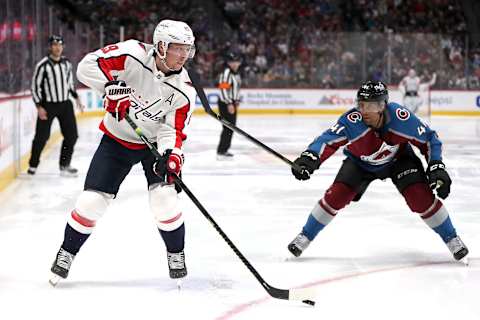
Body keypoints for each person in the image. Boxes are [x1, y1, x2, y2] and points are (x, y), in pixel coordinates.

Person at [49, 20, 197, 285]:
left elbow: (172, 130)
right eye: (178, 48)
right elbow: (86, 67)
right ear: (161, 46)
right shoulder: (132, 55)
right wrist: (109, 88)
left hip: (153, 147)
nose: (184, 55)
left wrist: (171, 156)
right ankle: (67, 251)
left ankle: (176, 252)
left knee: (165, 200)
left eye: (188, 49)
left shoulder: (184, 90)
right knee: (91, 203)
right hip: (117, 140)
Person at [288, 80, 468, 262]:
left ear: (383, 105)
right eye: (361, 104)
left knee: (420, 198)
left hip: (399, 160)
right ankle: (305, 236)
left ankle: (452, 238)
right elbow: (326, 140)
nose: (364, 110)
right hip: (360, 163)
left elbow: (430, 139)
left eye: (372, 105)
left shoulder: (401, 118)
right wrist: (309, 158)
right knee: (336, 196)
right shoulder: (352, 121)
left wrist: (436, 165)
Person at [28, 35, 84, 176]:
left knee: (72, 136)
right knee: (42, 137)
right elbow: (35, 87)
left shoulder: (67, 64)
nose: (57, 48)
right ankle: (33, 165)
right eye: (54, 45)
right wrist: (39, 106)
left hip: (65, 104)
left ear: (63, 47)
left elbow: (69, 84)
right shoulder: (43, 65)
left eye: (60, 45)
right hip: (48, 106)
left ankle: (64, 165)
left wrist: (77, 98)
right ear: (50, 47)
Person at [216, 51, 242, 160]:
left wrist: (236, 100)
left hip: (232, 103)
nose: (234, 64)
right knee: (228, 128)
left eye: (236, 61)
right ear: (228, 63)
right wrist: (229, 103)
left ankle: (224, 149)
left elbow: (235, 89)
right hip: (226, 104)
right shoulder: (227, 73)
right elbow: (223, 89)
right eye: (232, 61)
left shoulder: (236, 74)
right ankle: (222, 150)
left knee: (230, 128)